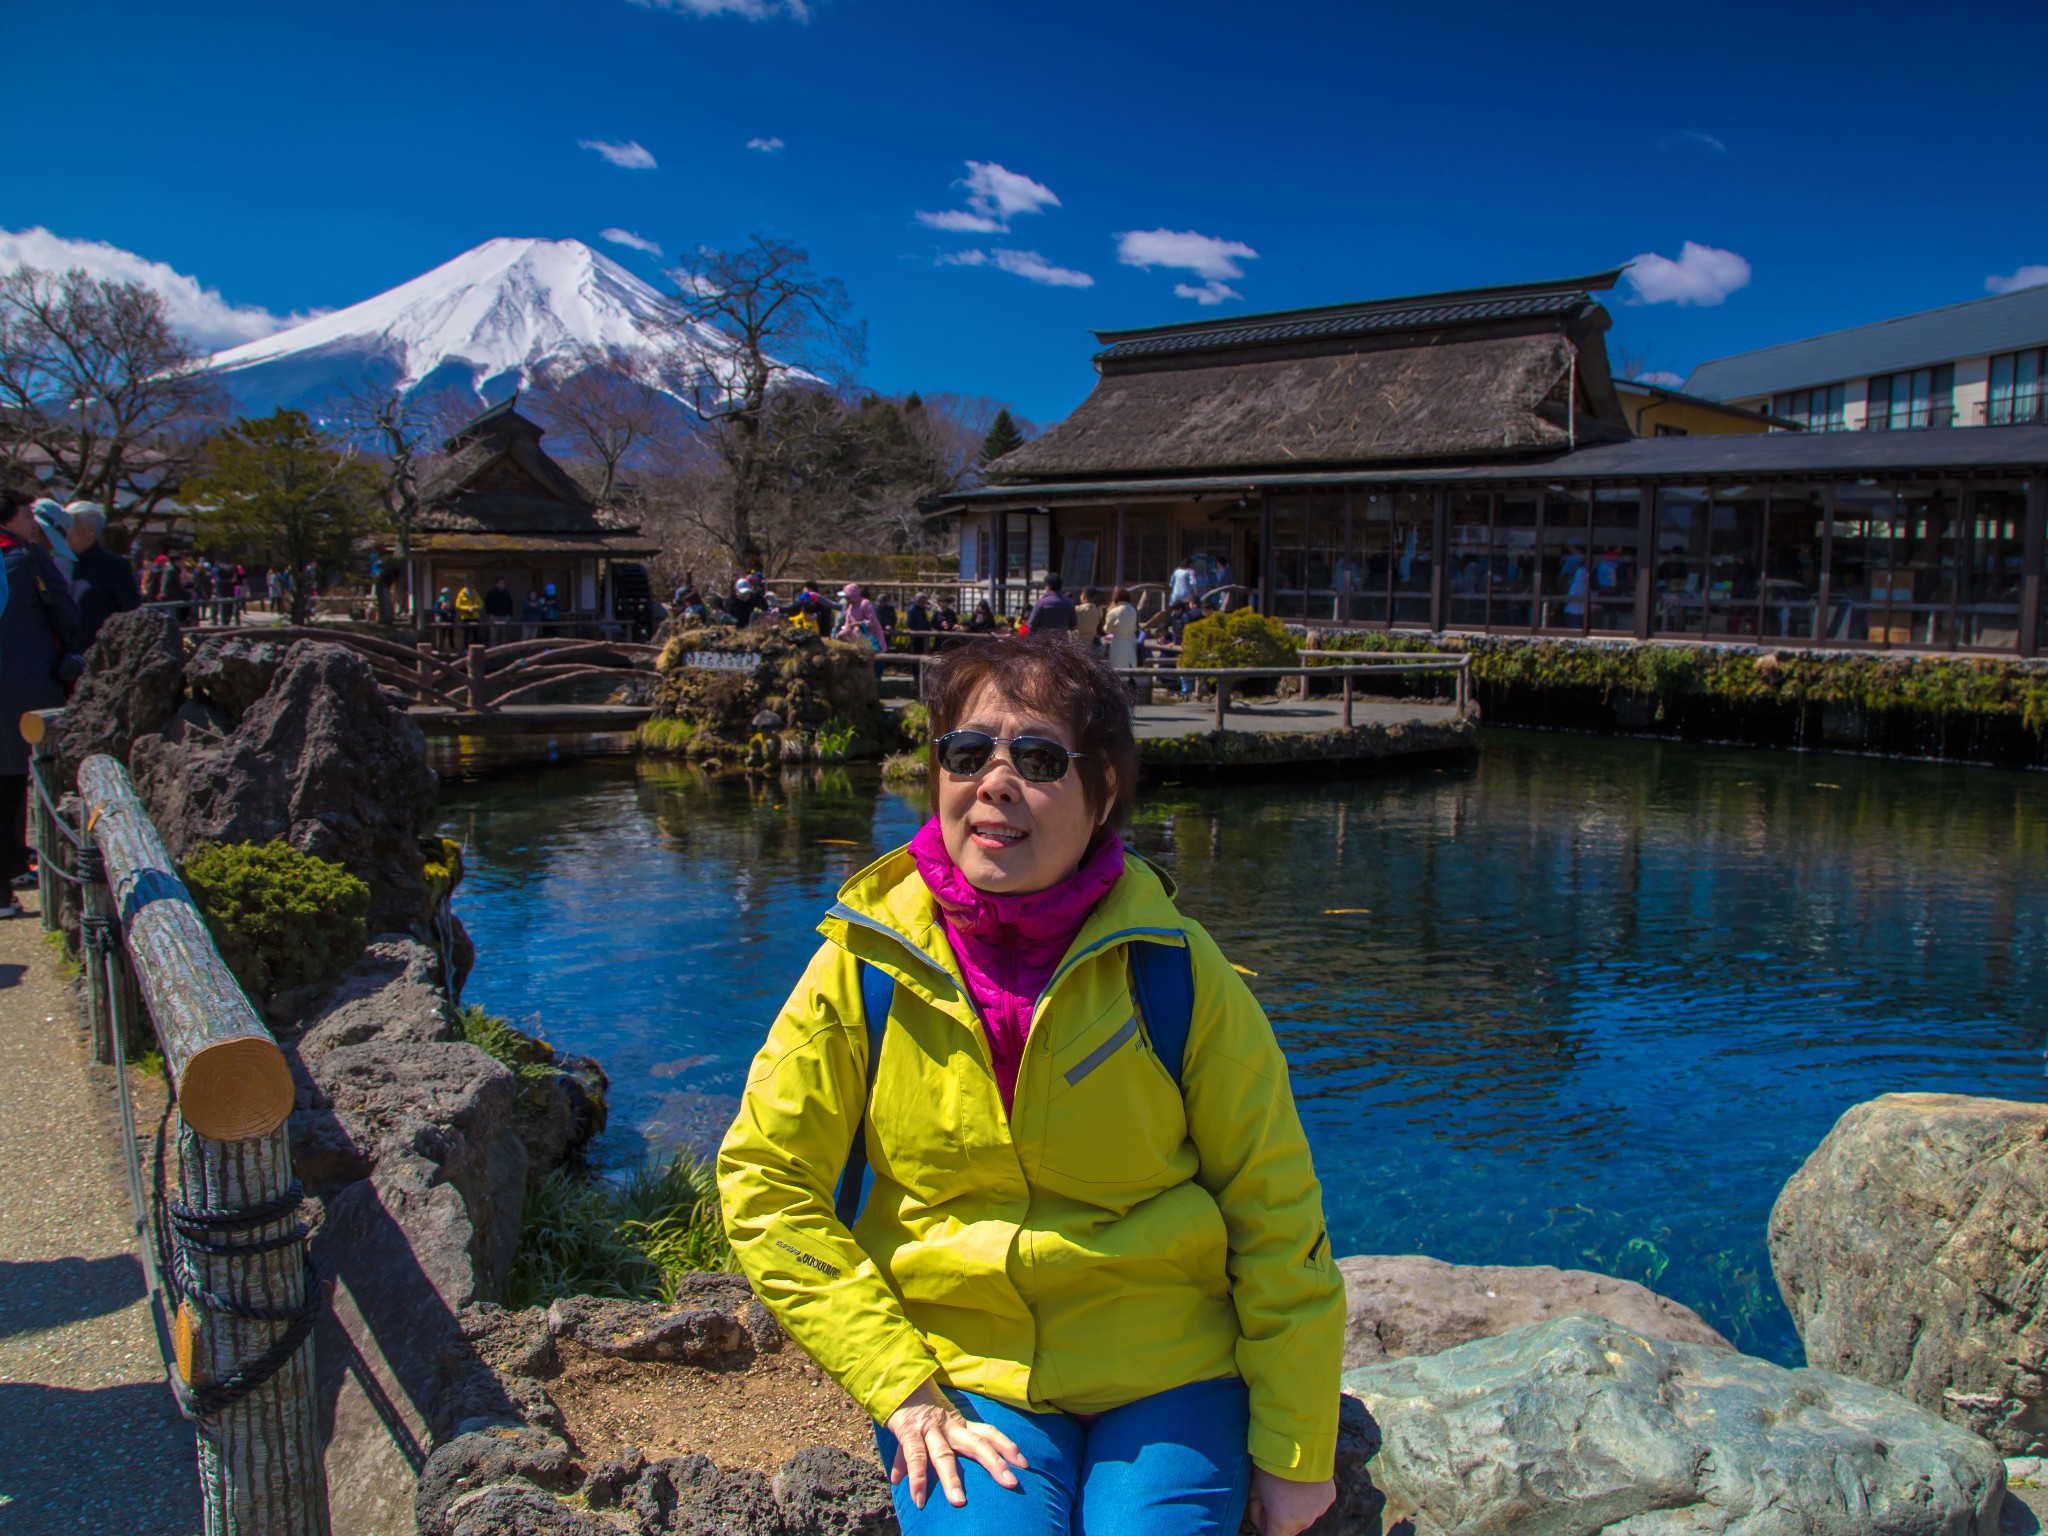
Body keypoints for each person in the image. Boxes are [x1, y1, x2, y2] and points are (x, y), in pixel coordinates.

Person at [719, 635, 1342, 1536]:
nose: (996, 781)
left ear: (1106, 795)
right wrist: (900, 1386)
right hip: (964, 1370)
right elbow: (765, 1181)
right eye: (968, 754)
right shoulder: (862, 967)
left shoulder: (1177, 971)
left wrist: (1296, 1448)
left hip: (1170, 1369)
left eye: (1040, 758)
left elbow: (1275, 1208)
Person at [0, 487, 83, 917]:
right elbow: (67, 617)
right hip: (23, 685)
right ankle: (9, 881)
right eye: (27, 514)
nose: (33, 522)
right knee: (16, 779)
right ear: (10, 517)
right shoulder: (27, 559)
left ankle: (14, 867)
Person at [65, 503, 142, 647]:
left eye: (70, 524)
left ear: (91, 530)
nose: (64, 530)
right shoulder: (55, 561)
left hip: (94, 652)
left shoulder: (114, 566)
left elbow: (132, 611)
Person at [1022, 572, 1077, 643]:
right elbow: (1073, 626)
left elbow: (1031, 624)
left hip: (1044, 643)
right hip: (1063, 644)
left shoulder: (1041, 603)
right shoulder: (1069, 604)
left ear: (1048, 586)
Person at [835, 583, 887, 651]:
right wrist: (839, 635)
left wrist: (858, 623)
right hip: (859, 640)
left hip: (872, 638)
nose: (845, 598)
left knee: (876, 659)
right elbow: (847, 625)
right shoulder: (850, 607)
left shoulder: (865, 603)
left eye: (846, 596)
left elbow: (872, 621)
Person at [1103, 585, 1141, 673]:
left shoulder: (1113, 612)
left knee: (1117, 670)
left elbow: (1108, 630)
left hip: (1118, 643)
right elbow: (1136, 627)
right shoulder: (1134, 610)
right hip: (1131, 642)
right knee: (1129, 670)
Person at [484, 578, 517, 644]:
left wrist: (509, 615)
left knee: (504, 634)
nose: (502, 585)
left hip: (505, 616)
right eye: (501, 583)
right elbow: (487, 604)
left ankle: (503, 650)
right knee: (494, 634)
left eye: (503, 583)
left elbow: (510, 604)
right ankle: (493, 650)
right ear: (497, 584)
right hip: (494, 616)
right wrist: (490, 614)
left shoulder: (506, 593)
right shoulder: (491, 592)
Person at [455, 582, 484, 647]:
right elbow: (457, 605)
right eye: (469, 586)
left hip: (475, 616)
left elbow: (481, 604)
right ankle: (466, 649)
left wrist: (474, 607)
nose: (471, 588)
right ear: (466, 586)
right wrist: (467, 608)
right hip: (466, 617)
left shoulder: (475, 593)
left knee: (475, 634)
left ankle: (476, 649)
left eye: (472, 586)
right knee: (466, 634)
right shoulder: (461, 594)